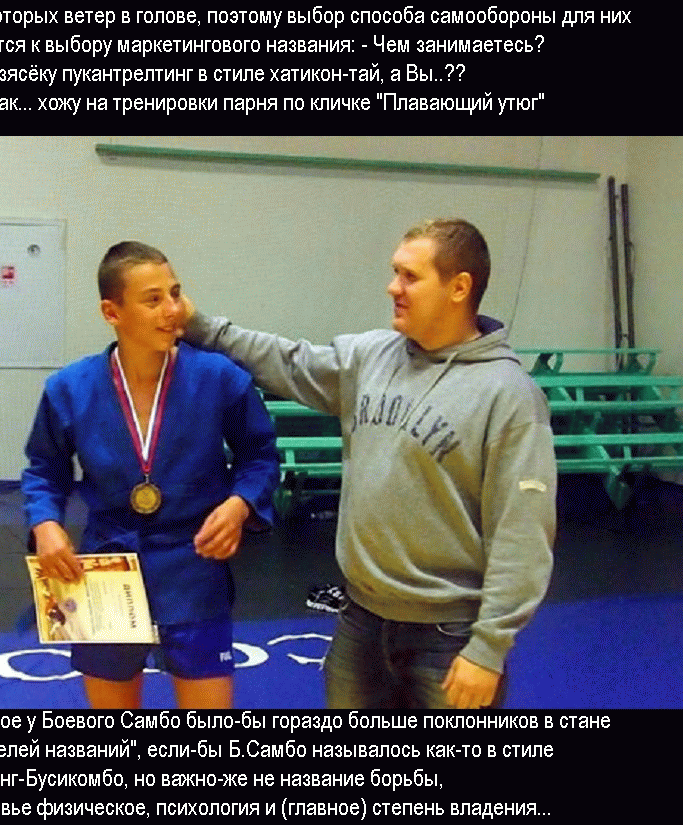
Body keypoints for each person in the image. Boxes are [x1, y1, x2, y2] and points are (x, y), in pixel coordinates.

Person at [181, 219, 556, 709]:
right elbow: (287, 360)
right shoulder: (371, 357)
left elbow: (523, 532)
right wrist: (199, 326)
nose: (392, 287)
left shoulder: (509, 396)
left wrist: (488, 649)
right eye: (395, 272)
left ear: (459, 287)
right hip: (360, 623)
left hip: (450, 639)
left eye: (410, 276)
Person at [22, 242, 279, 709]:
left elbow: (259, 455)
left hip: (194, 562)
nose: (172, 310)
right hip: (106, 563)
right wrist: (45, 523)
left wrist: (240, 504)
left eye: (175, 294)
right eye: (153, 299)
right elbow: (45, 468)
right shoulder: (70, 388)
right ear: (111, 312)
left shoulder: (219, 378)